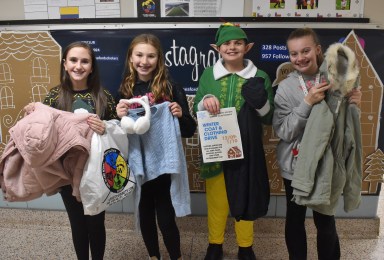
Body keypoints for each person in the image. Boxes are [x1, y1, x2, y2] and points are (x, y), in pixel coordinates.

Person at [272, 27, 362, 260]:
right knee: (295, 217)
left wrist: (354, 106)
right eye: (293, 53)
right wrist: (306, 103)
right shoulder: (286, 88)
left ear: (318, 50)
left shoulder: (337, 80)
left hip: (327, 164)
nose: (300, 58)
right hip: (295, 166)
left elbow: (345, 126)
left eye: (305, 50)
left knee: (325, 219)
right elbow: (283, 130)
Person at [193, 23, 274, 260]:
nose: (232, 47)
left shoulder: (260, 77)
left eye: (238, 42)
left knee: (245, 197)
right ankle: (214, 244)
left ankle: (245, 246)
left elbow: (269, 117)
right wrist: (206, 100)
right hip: (217, 149)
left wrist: (261, 103)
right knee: (217, 200)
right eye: (227, 43)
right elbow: (198, 103)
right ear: (217, 48)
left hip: (247, 151)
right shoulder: (209, 74)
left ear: (247, 47)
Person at [115, 33, 196, 260]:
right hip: (138, 163)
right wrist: (117, 115)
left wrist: (180, 116)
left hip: (164, 165)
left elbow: (190, 129)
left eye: (151, 56)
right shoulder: (124, 90)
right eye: (139, 55)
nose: (144, 61)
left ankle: (176, 256)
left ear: (159, 59)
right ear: (131, 57)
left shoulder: (170, 88)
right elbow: (116, 133)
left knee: (166, 218)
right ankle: (153, 256)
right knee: (145, 215)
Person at [43, 41, 117, 260]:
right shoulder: (53, 97)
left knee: (96, 222)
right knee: (77, 223)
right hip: (67, 174)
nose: (78, 65)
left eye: (85, 61)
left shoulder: (104, 97)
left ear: (92, 66)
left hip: (97, 172)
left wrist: (105, 128)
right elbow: (44, 135)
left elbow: (118, 133)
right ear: (64, 64)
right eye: (73, 60)